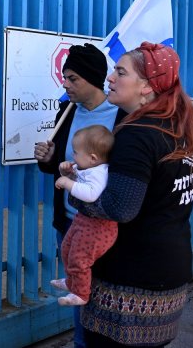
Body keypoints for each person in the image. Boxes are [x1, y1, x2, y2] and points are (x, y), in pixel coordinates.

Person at [71, 42, 193, 347]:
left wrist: (76, 194)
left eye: (120, 72)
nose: (110, 78)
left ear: (146, 87)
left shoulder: (137, 134)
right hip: (168, 275)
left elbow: (120, 208)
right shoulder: (178, 127)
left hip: (129, 282)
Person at [34, 43, 126, 348]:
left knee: (106, 303)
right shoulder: (67, 110)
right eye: (65, 77)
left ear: (92, 78)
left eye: (73, 78)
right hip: (70, 225)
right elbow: (59, 168)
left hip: (104, 229)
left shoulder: (121, 116)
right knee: (79, 297)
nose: (66, 84)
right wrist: (47, 159)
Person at [50, 125, 117, 306]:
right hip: (83, 221)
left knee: (80, 259)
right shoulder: (89, 168)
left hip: (97, 228)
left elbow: (91, 194)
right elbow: (80, 179)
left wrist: (67, 183)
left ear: (93, 158)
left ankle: (80, 293)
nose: (73, 156)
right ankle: (71, 281)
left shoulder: (99, 173)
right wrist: (69, 173)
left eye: (76, 153)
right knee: (66, 248)